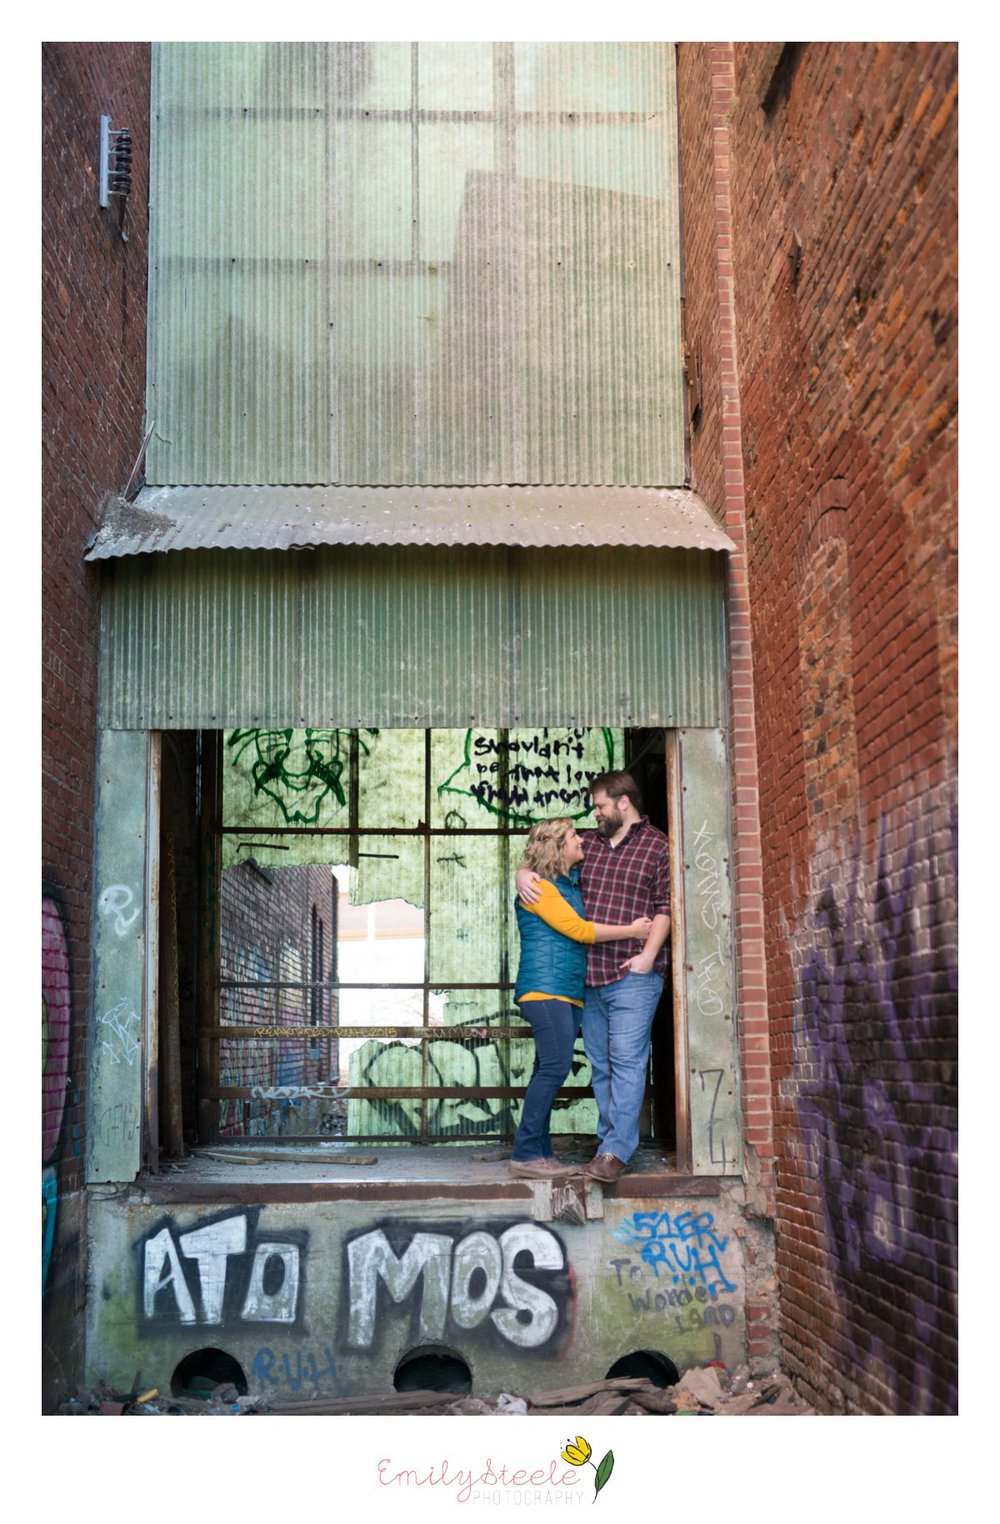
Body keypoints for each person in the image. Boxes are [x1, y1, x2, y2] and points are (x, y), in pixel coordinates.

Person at [516, 770, 670, 1183]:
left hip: (634, 972)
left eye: (600, 805)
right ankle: (607, 1146)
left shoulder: (658, 847)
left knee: (627, 1061)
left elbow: (664, 907)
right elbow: (545, 850)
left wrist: (648, 954)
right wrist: (522, 873)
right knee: (601, 1064)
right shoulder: (591, 844)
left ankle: (617, 1150)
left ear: (623, 802)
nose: (594, 814)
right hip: (590, 977)